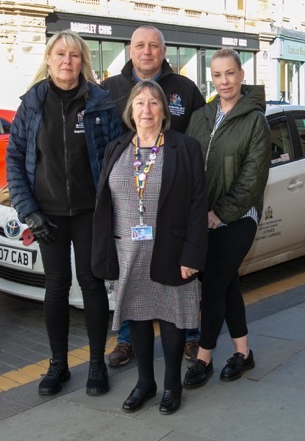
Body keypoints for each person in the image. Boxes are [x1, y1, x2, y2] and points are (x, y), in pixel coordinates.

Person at [6, 30, 123, 396]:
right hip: (48, 214)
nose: (67, 61)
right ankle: (58, 364)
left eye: (74, 55)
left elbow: (117, 155)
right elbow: (14, 160)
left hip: (90, 211)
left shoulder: (100, 102)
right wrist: (29, 212)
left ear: (82, 61)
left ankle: (96, 364)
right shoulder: (32, 104)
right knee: (55, 287)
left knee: (91, 284)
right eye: (60, 54)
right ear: (49, 59)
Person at [92, 80, 207, 414]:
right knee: (137, 317)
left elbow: (199, 204)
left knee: (171, 318)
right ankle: (145, 382)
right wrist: (105, 252)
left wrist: (192, 255)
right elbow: (104, 204)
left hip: (170, 249)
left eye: (154, 103)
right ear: (130, 110)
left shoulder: (184, 148)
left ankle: (172, 385)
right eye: (140, 103)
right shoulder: (116, 148)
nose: (146, 110)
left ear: (164, 110)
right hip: (128, 249)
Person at [102, 25, 205, 367]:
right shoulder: (110, 89)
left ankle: (191, 337)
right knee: (133, 279)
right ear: (130, 50)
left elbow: (199, 147)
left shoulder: (185, 90)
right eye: (140, 46)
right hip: (130, 211)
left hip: (171, 204)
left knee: (178, 282)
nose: (147, 52)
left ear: (164, 52)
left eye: (154, 46)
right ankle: (128, 341)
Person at [183, 48, 271, 389]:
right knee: (228, 283)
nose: (224, 81)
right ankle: (243, 353)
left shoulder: (255, 120)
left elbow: (252, 179)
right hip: (202, 217)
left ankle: (204, 357)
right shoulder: (201, 116)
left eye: (230, 74)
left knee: (215, 284)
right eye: (218, 75)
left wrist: (219, 214)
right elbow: (189, 164)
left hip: (238, 217)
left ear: (242, 75)